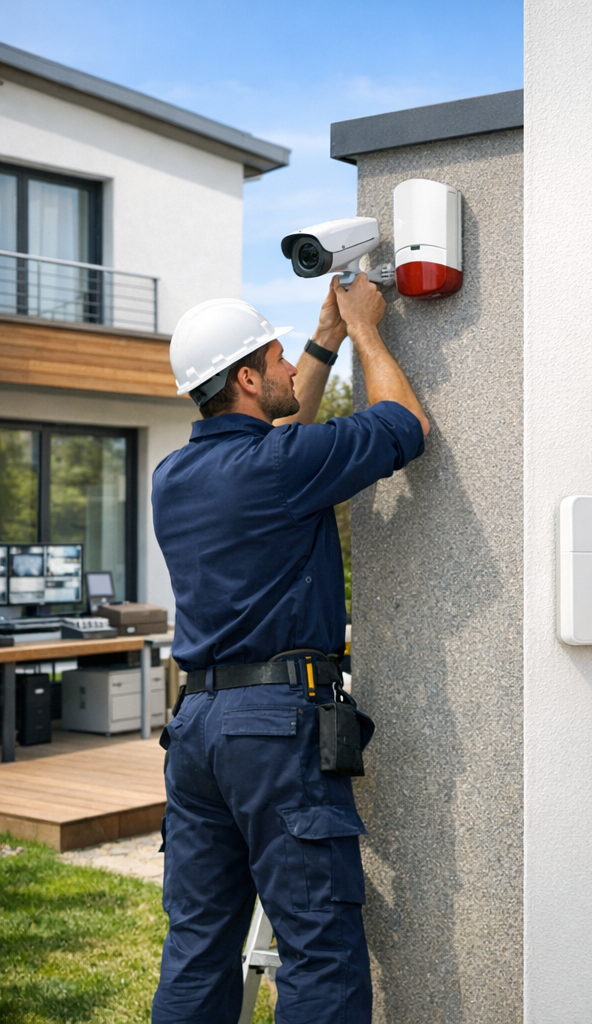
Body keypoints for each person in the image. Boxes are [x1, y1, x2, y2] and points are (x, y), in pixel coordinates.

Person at [150, 274, 429, 1024]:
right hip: (274, 731)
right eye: (275, 361)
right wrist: (368, 329)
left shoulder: (172, 477)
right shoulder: (280, 468)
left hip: (198, 731)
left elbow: (277, 434)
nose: (286, 374)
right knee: (320, 948)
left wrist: (321, 341)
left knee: (198, 943)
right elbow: (405, 424)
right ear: (246, 378)